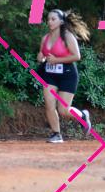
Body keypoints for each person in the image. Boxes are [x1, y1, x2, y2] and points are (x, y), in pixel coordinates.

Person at [36, 9, 92, 143]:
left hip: (67, 75)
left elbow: (76, 56)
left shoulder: (68, 36)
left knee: (63, 110)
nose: (50, 22)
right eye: (48, 19)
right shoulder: (45, 38)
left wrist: (57, 60)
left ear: (61, 22)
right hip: (50, 75)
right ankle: (56, 134)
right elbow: (41, 56)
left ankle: (82, 116)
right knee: (49, 105)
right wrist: (41, 57)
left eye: (53, 19)